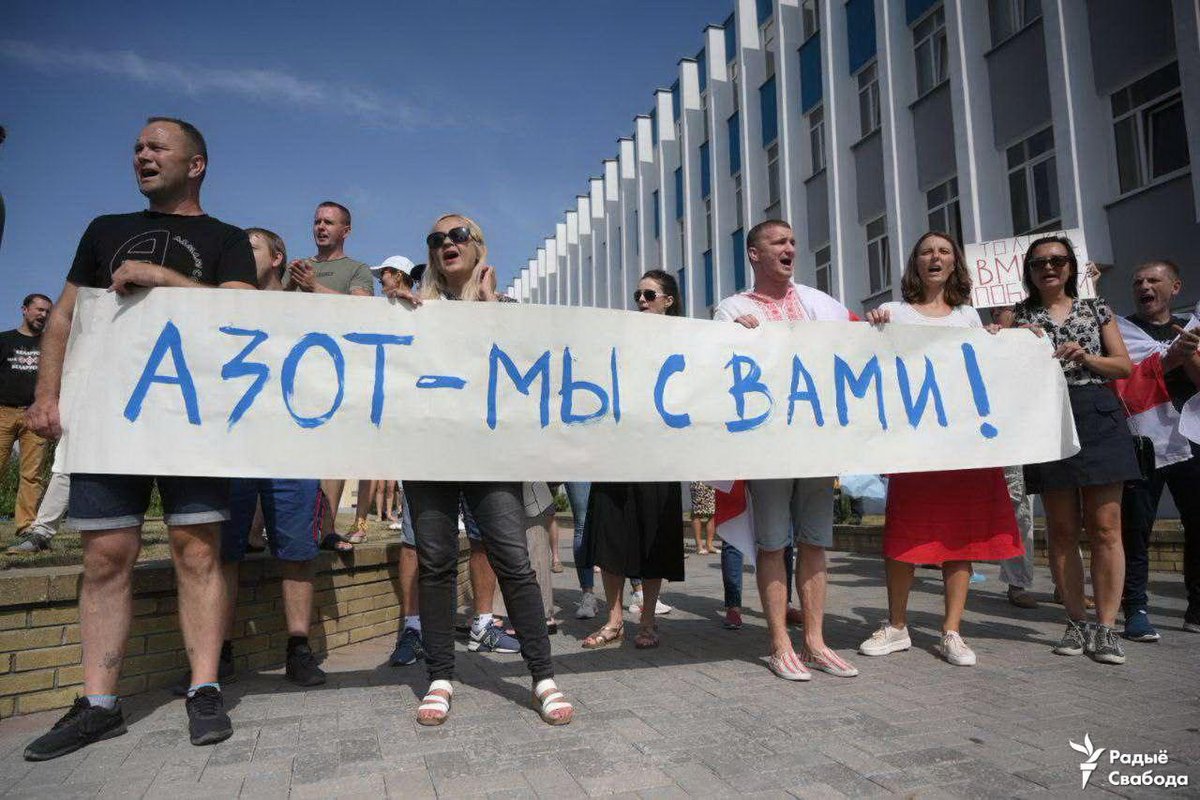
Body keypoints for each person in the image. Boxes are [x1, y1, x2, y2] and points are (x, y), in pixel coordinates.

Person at [22, 117, 257, 760]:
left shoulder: (228, 239)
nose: (142, 155)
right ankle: (98, 702)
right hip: (109, 417)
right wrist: (47, 396)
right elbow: (66, 317)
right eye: (137, 147)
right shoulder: (103, 230)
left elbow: (241, 314)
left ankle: (204, 689)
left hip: (193, 425)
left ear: (197, 163)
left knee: (198, 550)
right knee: (105, 555)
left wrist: (165, 279)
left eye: (158, 147)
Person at [385, 213, 572, 726]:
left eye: (458, 235)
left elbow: (527, 370)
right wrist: (396, 311)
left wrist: (490, 308)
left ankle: (542, 676)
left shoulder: (505, 308)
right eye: (437, 239)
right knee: (437, 561)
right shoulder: (412, 310)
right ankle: (441, 676)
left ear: (479, 248)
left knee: (512, 559)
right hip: (430, 455)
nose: (447, 243)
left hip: (490, 456)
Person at [169, 227, 325, 691]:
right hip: (232, 447)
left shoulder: (304, 306)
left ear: (277, 257)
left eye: (251, 247)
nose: (240, 254)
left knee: (296, 551)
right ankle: (218, 653)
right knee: (227, 551)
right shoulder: (221, 305)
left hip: (291, 446)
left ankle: (299, 647)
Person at [858, 231, 1022, 666]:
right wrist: (871, 327)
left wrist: (995, 337)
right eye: (927, 251)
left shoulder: (969, 317)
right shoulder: (891, 312)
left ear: (955, 264)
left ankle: (952, 630)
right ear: (916, 263)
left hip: (962, 446)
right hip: (914, 447)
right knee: (905, 531)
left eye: (944, 251)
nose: (935, 257)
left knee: (960, 535)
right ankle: (896, 626)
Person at [713, 219, 859, 682]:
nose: (790, 247)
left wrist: (876, 321)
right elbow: (715, 363)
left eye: (793, 241)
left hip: (816, 445)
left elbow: (860, 344)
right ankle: (779, 643)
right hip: (768, 447)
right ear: (755, 253)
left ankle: (815, 641)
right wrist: (735, 334)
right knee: (772, 542)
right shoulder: (731, 307)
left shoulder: (820, 303)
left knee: (815, 540)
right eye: (779, 241)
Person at [1012, 235, 1139, 665]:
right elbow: (1006, 372)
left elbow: (1123, 365)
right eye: (1039, 263)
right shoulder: (1019, 317)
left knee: (1106, 528)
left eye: (1057, 260)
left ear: (1070, 266)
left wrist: (1085, 357)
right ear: (1028, 272)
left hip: (1097, 413)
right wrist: (1007, 339)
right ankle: (1077, 620)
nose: (1048, 267)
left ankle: (1105, 628)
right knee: (1062, 530)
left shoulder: (1096, 309)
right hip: (1048, 418)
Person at [581, 271, 687, 651]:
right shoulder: (619, 340)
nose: (641, 301)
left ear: (669, 301)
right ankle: (613, 621)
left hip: (660, 456)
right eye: (637, 294)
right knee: (609, 536)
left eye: (649, 294)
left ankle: (647, 622)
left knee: (653, 539)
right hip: (616, 453)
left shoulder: (688, 340)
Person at [1116, 260, 1200, 638]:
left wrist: (1189, 354)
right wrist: (1167, 360)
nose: (1144, 287)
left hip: (1192, 441)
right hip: (1143, 443)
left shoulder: (1193, 328)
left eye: (1153, 280)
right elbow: (1125, 385)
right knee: (1136, 528)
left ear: (1175, 287)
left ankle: (1196, 609)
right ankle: (1135, 608)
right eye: (1138, 281)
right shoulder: (1123, 332)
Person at [288, 201, 375, 546]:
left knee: (333, 452)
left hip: (337, 373)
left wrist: (313, 288)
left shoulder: (357, 269)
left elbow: (363, 311)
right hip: (295, 372)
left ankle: (325, 530)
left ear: (345, 231)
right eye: (316, 221)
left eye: (329, 222)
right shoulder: (297, 267)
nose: (320, 227)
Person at [0, 293, 53, 542]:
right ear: (24, 309)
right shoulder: (5, 340)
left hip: (36, 416)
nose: (43, 315)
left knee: (32, 475)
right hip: (3, 412)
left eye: (47, 311)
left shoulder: (50, 346)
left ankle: (26, 527)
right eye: (39, 310)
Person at [564, 482, 602, 618]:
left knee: (621, 520)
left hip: (610, 462)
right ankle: (588, 595)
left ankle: (638, 591)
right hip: (577, 464)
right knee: (582, 522)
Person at [690, 482, 716, 555]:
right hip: (698, 480)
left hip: (712, 481)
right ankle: (699, 546)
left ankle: (709, 545)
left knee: (713, 512)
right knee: (697, 512)